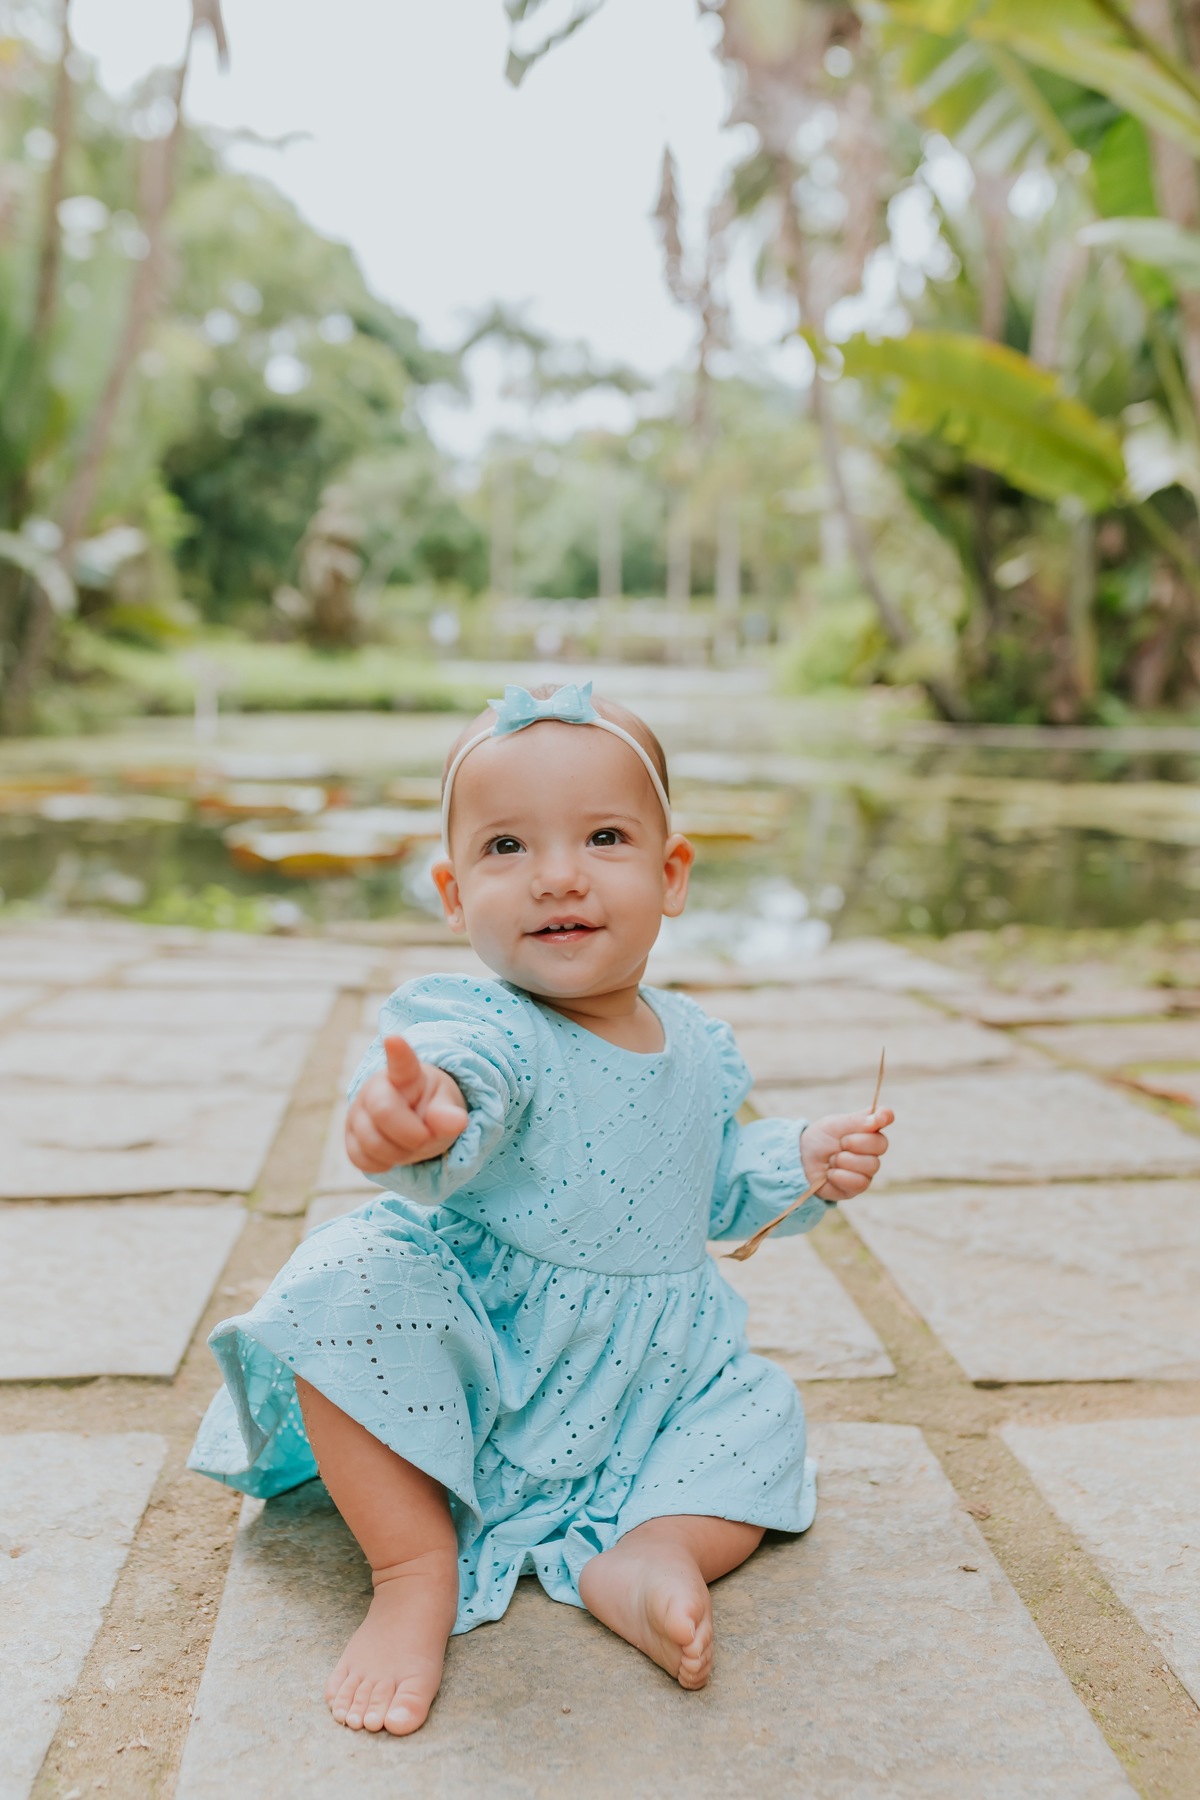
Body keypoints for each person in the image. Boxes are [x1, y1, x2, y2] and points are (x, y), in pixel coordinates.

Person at [188, 681, 894, 1737]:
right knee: (345, 1288)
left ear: (672, 874)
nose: (557, 875)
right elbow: (462, 1080)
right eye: (507, 847)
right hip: (489, 1362)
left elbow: (711, 1185)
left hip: (651, 1381)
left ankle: (651, 1550)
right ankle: (414, 1567)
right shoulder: (487, 1023)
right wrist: (421, 1114)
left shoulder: (700, 1046)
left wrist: (800, 1158)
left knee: (764, 1417)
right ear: (454, 894)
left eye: (603, 836)